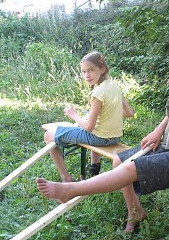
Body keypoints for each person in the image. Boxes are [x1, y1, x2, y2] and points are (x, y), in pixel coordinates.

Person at [37, 45, 169, 233]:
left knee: (132, 167)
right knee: (119, 160)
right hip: (167, 148)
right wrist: (157, 131)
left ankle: (71, 190)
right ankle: (135, 211)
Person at [44, 51, 134, 182]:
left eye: (91, 70)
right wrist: (107, 112)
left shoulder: (98, 92)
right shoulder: (114, 86)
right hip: (115, 137)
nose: (87, 75)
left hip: (99, 138)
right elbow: (129, 112)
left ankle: (66, 178)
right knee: (98, 126)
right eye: (84, 71)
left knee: (48, 135)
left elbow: (89, 127)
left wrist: (73, 114)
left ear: (102, 70)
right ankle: (94, 172)